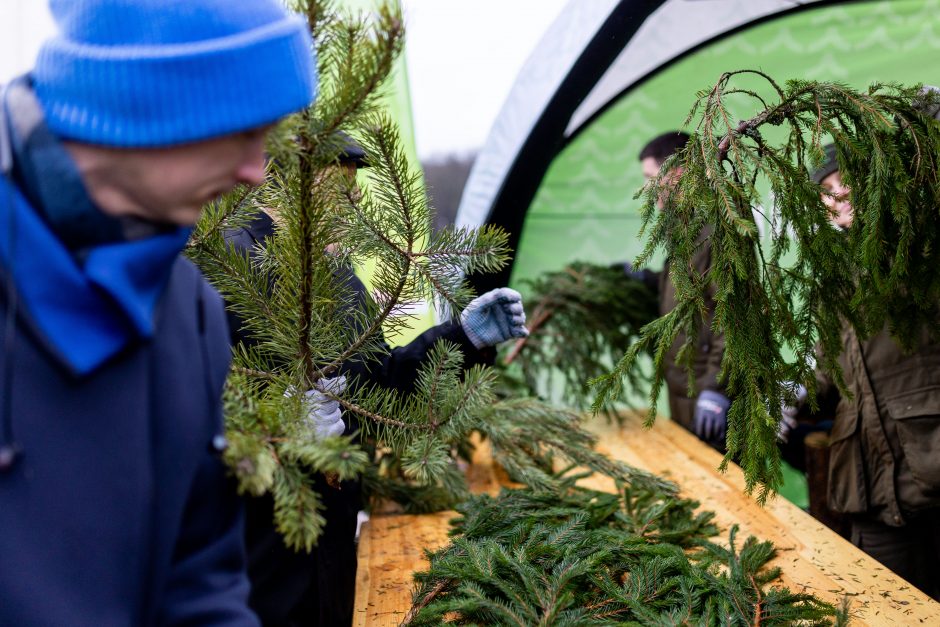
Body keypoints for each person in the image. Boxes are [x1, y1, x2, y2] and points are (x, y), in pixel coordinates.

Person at [0, 0, 316, 624]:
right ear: (154, 105)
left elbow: (200, 575)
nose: (256, 173)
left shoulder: (190, 309)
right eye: (244, 130)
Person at [223, 134, 529, 626]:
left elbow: (378, 386)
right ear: (285, 187)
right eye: (340, 189)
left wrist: (464, 337)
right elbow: (185, 419)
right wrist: (281, 426)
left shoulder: (336, 270)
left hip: (334, 524)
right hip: (258, 547)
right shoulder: (226, 271)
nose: (356, 203)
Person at [782, 145, 940, 600]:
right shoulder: (836, 270)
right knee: (884, 600)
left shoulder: (918, 245)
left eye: (844, 181)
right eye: (824, 192)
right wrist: (793, 395)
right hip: (869, 476)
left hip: (930, 455)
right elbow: (831, 362)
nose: (836, 196)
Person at [627, 131, 729, 450]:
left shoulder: (715, 232)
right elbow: (690, 291)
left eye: (651, 177)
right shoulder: (684, 230)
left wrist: (716, 391)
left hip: (709, 403)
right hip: (683, 393)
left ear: (679, 172)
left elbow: (734, 319)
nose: (647, 188)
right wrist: (647, 281)